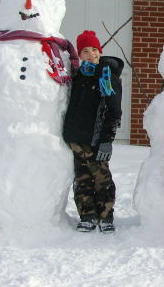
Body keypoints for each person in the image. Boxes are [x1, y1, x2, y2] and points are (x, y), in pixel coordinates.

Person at [63, 30, 123, 233]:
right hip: (76, 138)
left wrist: (107, 140)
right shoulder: (77, 75)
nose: (91, 54)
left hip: (97, 139)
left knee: (101, 179)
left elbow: (114, 112)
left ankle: (105, 216)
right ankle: (87, 215)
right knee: (82, 180)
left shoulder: (107, 76)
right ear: (79, 55)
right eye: (85, 51)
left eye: (94, 50)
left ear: (100, 51)